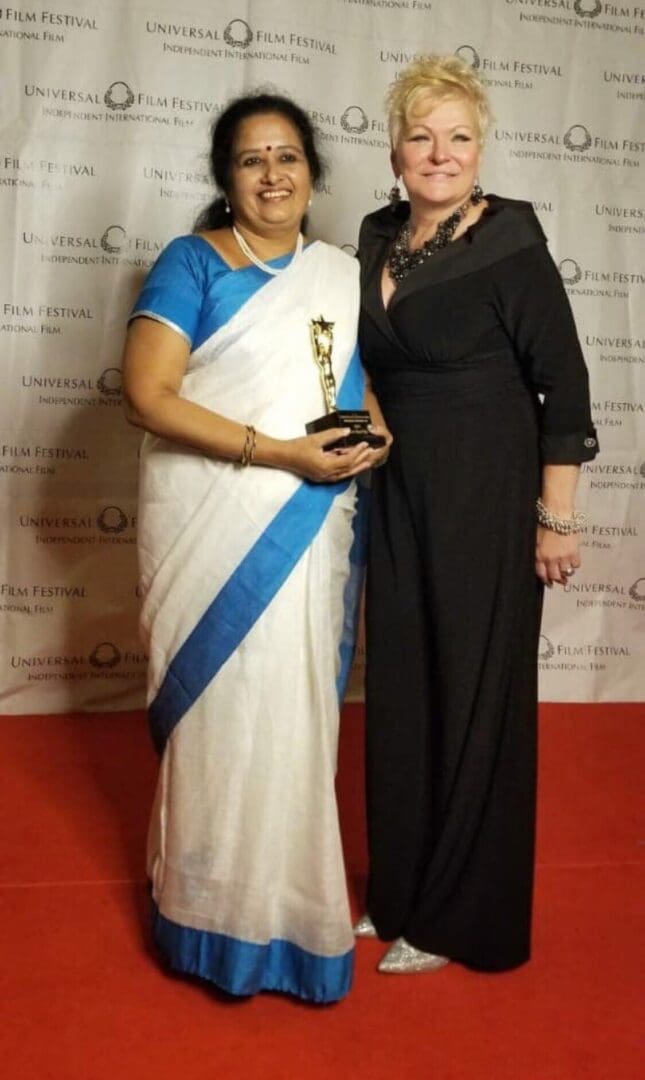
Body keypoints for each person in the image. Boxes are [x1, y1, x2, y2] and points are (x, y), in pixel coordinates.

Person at [122, 92, 390, 1003]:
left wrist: (375, 438)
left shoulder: (340, 272)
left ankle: (285, 906)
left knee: (293, 717)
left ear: (312, 171)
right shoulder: (191, 263)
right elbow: (149, 396)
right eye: (250, 160)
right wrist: (276, 453)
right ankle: (203, 907)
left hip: (311, 526)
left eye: (287, 157)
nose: (272, 174)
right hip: (213, 516)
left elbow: (356, 386)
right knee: (221, 719)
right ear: (224, 178)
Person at [354, 56, 598, 974]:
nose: (439, 152)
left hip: (488, 495)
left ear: (481, 146)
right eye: (421, 135)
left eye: (458, 136)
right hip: (399, 492)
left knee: (473, 696)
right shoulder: (376, 235)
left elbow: (563, 389)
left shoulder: (509, 243)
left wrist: (555, 519)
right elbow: (364, 366)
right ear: (394, 148)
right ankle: (400, 893)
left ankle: (462, 919)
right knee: (405, 693)